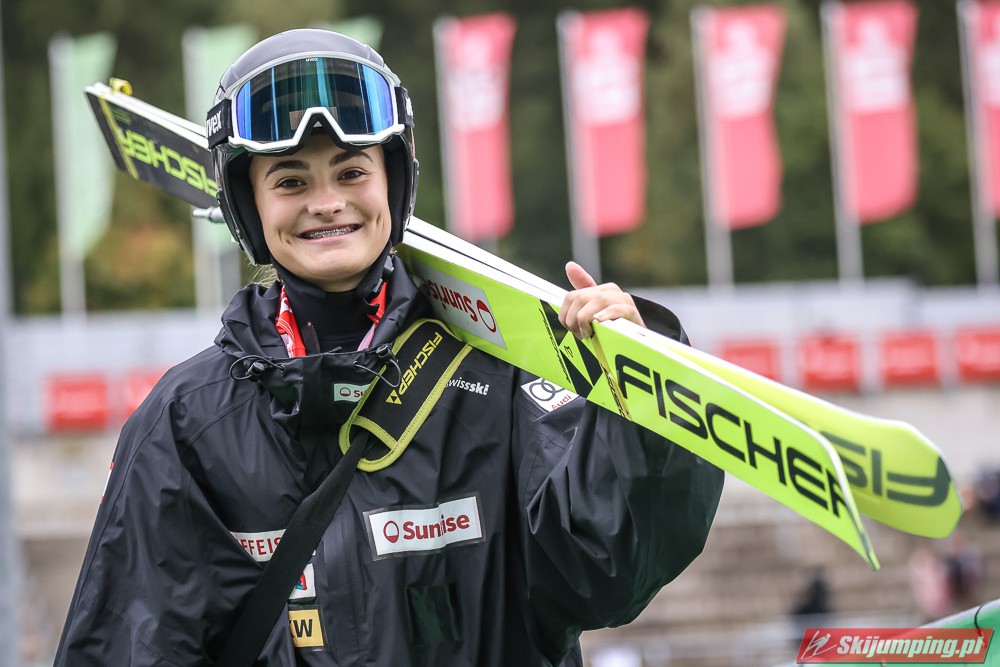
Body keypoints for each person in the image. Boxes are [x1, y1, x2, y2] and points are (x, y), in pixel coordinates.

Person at [54, 28, 723, 666]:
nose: (326, 202)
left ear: (393, 184)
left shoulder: (498, 376)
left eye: (351, 172)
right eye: (290, 181)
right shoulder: (187, 423)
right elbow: (131, 641)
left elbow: (605, 570)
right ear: (248, 205)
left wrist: (640, 393)